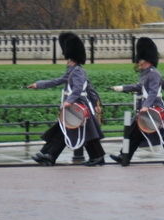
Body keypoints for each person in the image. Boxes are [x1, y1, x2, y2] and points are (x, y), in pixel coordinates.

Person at [27, 33, 106, 167]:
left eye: (68, 58)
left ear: (73, 58)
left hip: (79, 106)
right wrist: (39, 84)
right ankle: (48, 154)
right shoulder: (72, 70)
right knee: (65, 130)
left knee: (77, 131)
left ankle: (50, 154)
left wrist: (69, 101)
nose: (67, 61)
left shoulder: (78, 71)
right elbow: (57, 81)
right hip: (74, 106)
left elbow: (78, 88)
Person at [110, 37, 164, 165]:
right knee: (134, 133)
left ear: (146, 60)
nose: (138, 62)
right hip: (146, 108)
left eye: (140, 60)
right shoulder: (145, 73)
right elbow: (139, 87)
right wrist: (122, 88)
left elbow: (153, 92)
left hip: (154, 107)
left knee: (163, 132)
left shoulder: (154, 73)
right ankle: (124, 156)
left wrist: (146, 106)